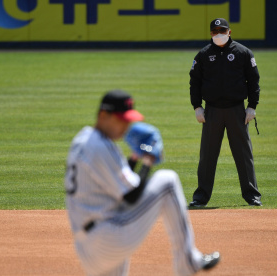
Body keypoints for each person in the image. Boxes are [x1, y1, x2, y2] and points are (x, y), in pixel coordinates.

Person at [64, 90, 220, 276]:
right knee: (168, 182)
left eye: (128, 120)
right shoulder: (101, 146)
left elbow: (120, 183)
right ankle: (188, 262)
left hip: (87, 247)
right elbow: (131, 196)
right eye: (121, 120)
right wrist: (148, 160)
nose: (126, 126)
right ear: (103, 115)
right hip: (107, 237)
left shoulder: (84, 139)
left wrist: (136, 156)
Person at [189, 18, 262, 207]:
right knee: (207, 155)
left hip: (237, 110)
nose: (218, 34)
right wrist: (197, 106)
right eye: (215, 31)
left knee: (243, 154)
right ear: (211, 33)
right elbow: (194, 81)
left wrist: (252, 106)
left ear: (230, 32)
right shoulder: (203, 55)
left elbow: (253, 80)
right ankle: (201, 197)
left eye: (222, 30)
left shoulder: (243, 53)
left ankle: (252, 195)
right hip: (212, 111)